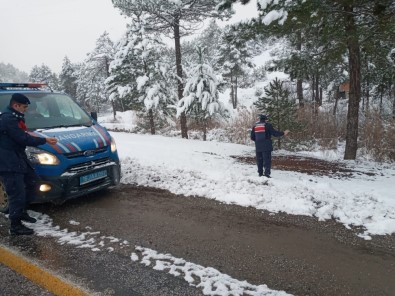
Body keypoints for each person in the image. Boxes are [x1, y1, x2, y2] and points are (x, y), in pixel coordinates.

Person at [0, 93, 57, 235]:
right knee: (16, 193)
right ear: (16, 105)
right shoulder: (8, 119)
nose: (26, 109)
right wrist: (45, 140)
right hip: (8, 162)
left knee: (32, 183)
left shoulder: (16, 117)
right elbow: (22, 138)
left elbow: (23, 135)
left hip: (18, 158)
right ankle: (15, 225)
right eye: (24, 107)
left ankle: (22, 212)